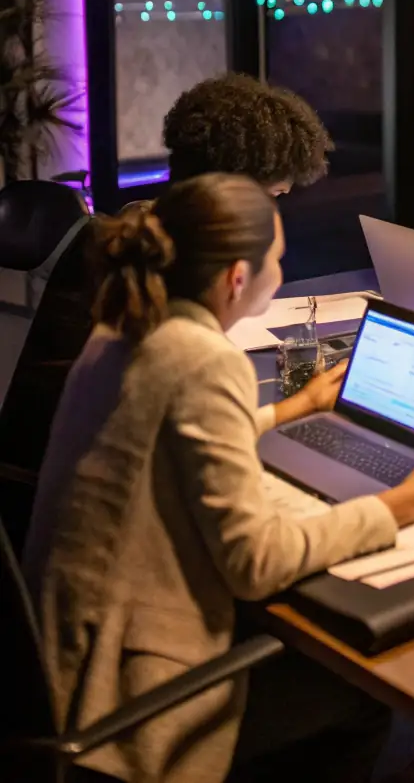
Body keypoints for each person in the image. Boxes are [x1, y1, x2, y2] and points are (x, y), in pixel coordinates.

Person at [22, 173, 414, 783]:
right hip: (128, 694)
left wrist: (291, 408)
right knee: (362, 697)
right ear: (238, 277)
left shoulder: (123, 326)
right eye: (277, 260)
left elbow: (166, 432)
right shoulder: (206, 359)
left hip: (61, 656)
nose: (281, 270)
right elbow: (254, 562)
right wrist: (401, 505)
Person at [0, 73, 333, 546]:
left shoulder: (134, 234)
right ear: (233, 194)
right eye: (273, 199)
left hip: (32, 501)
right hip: (67, 530)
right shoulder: (166, 280)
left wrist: (294, 407)